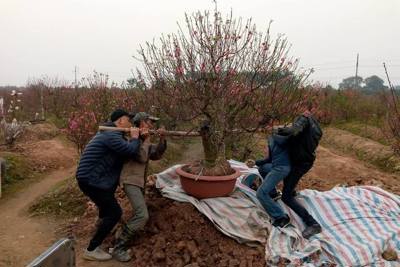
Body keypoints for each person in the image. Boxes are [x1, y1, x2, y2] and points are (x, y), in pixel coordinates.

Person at [76, 109, 140, 261]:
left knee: (106, 211)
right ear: (120, 121)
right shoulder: (111, 135)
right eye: (128, 120)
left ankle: (99, 240)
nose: (130, 123)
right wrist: (135, 137)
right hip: (92, 180)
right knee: (114, 213)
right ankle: (91, 249)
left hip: (94, 179)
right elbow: (129, 150)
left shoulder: (112, 134)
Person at [112, 112, 167, 262]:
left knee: (140, 213)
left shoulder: (142, 139)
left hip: (138, 182)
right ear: (141, 123)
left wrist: (162, 139)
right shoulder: (132, 138)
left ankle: (123, 236)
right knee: (142, 215)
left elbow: (156, 155)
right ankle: (119, 247)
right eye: (150, 122)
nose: (152, 125)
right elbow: (142, 157)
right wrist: (147, 139)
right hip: (130, 181)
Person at [277, 105, 323, 239]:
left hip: (299, 163)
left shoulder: (303, 118)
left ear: (305, 109)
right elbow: (301, 134)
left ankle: (312, 223)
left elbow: (293, 130)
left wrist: (277, 130)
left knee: (285, 196)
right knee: (289, 183)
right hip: (305, 161)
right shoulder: (315, 124)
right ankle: (291, 191)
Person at [255, 133, 292, 228]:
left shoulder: (275, 138)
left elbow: (269, 157)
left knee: (260, 193)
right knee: (263, 168)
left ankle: (282, 217)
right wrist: (256, 163)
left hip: (281, 169)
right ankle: (273, 193)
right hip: (280, 166)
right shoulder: (275, 138)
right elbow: (269, 159)